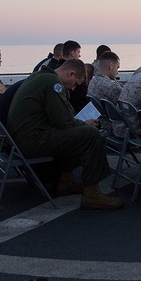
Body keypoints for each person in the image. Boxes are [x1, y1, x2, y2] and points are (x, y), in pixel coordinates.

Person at [7, 59, 123, 209]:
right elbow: (64, 121)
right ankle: (91, 194)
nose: (74, 89)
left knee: (75, 134)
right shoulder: (53, 84)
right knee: (91, 134)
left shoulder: (40, 76)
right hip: (31, 141)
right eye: (75, 83)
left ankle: (66, 182)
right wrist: (84, 124)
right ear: (71, 73)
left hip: (20, 140)